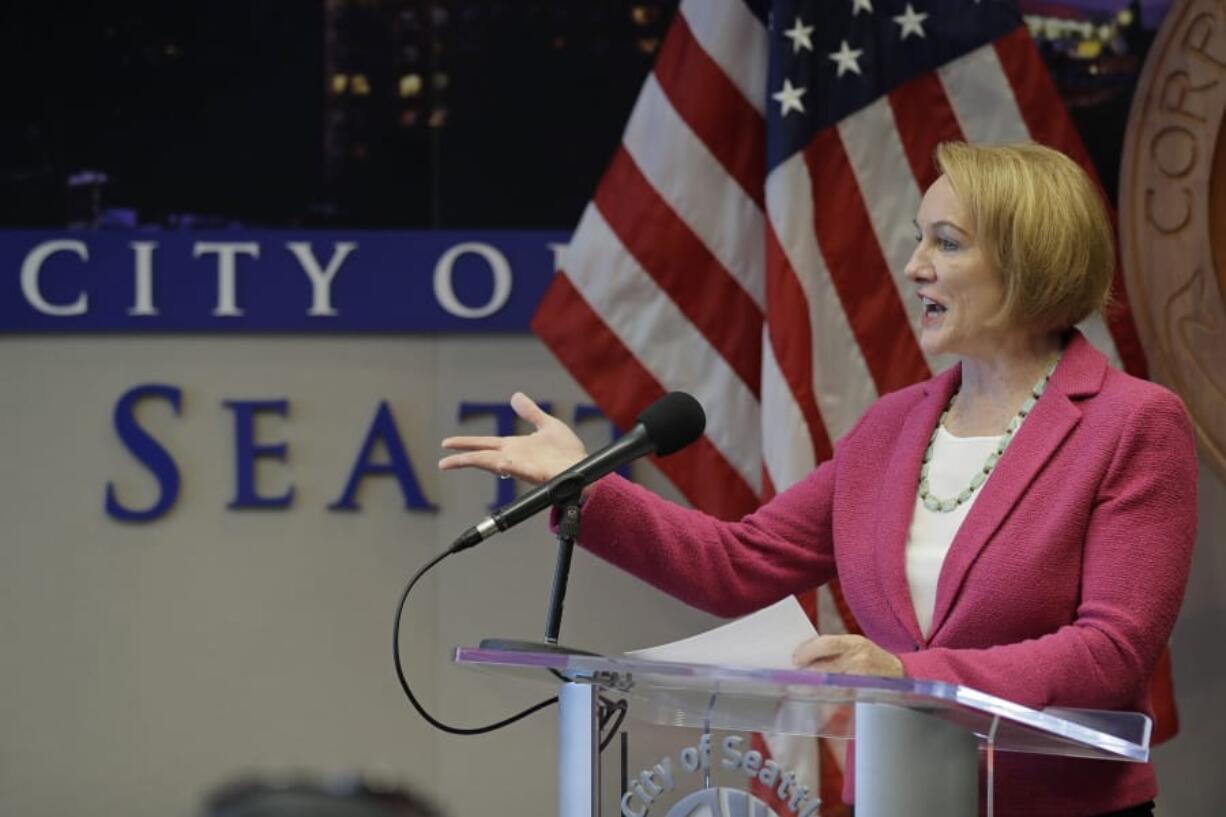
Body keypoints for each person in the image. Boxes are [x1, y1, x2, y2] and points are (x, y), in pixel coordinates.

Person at [438, 142, 1197, 817]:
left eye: (947, 243)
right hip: (897, 799)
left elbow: (1112, 651)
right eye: (918, 241)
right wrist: (582, 485)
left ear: (1032, 260)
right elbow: (738, 565)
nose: (914, 266)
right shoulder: (893, 427)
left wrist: (907, 674)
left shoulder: (1130, 423)